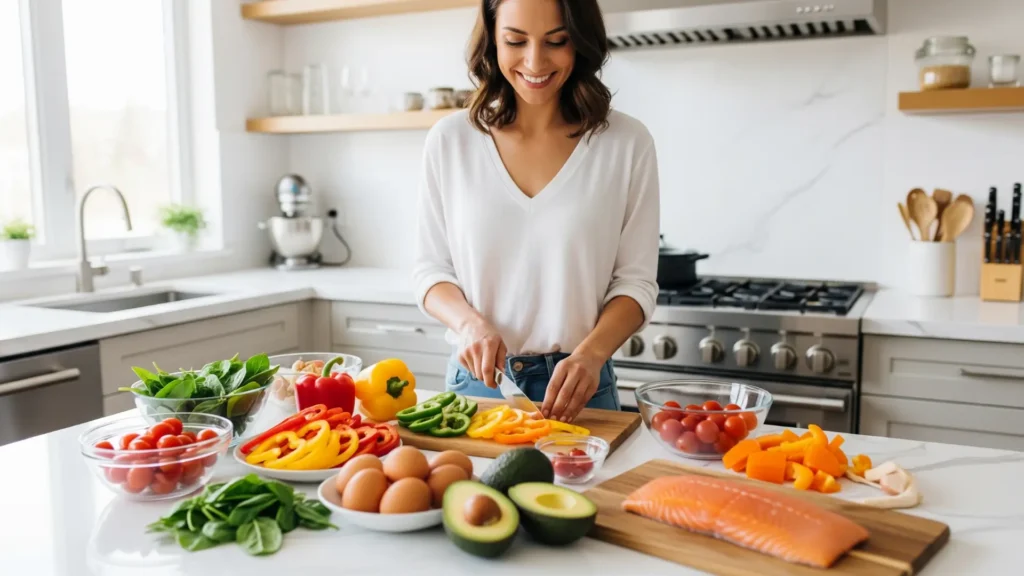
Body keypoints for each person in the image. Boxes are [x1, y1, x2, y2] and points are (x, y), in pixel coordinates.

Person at [412, 0, 659, 423]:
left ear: (580, 43)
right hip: (479, 386)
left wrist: (592, 353)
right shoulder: (451, 140)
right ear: (492, 40)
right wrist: (470, 325)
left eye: (556, 41)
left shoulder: (626, 142)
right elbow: (430, 272)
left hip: (582, 386)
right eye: (515, 41)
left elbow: (636, 284)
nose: (534, 61)